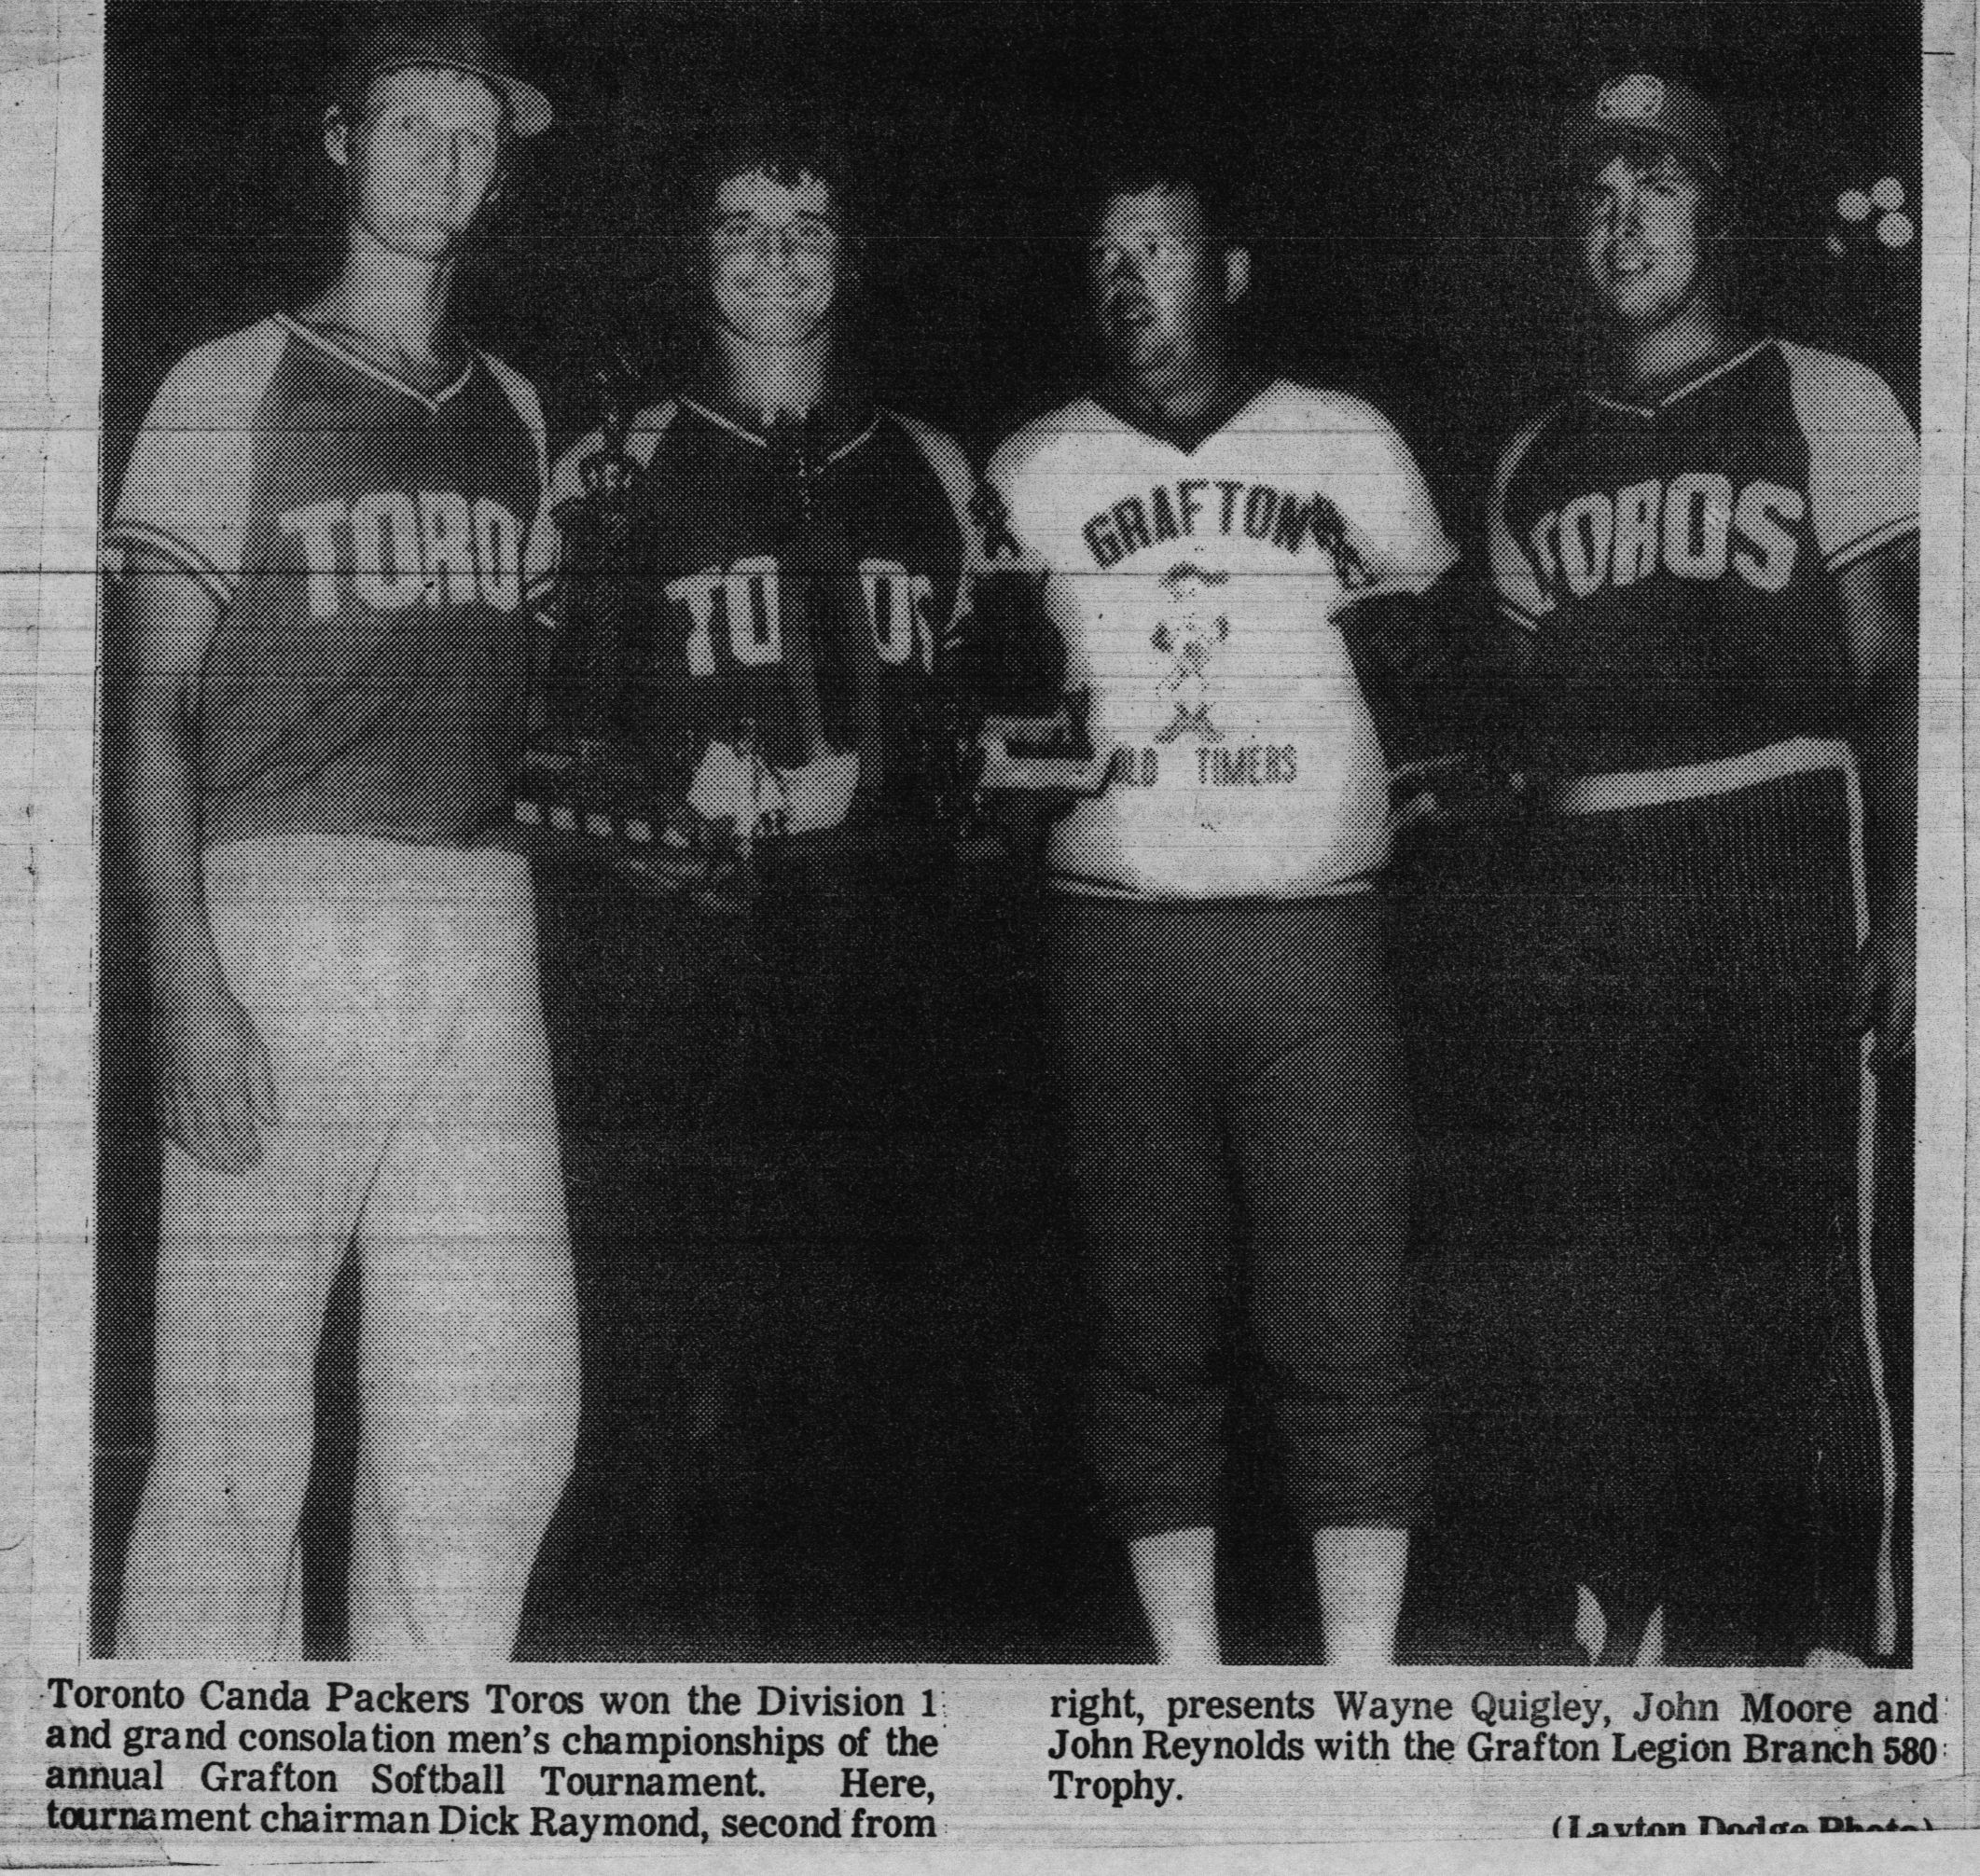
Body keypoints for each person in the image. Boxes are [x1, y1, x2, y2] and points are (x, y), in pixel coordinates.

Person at [106, 13, 575, 1660]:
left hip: (473, 917)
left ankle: (418, 1787)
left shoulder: (516, 409)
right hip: (277, 907)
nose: (442, 158)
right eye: (407, 126)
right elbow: (150, 703)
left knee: (494, 1418)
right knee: (238, 1431)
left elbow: (529, 700)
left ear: (502, 171)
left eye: (474, 133)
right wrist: (181, 980)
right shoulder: (227, 380)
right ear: (335, 143)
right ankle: (202, 1799)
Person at [529, 119, 1008, 1643]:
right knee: (671, 1359)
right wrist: (665, 791)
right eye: (743, 224)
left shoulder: (931, 465)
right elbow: (529, 736)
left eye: (810, 225)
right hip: (681, 976)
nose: (778, 254)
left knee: (885, 1360)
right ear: (696, 254)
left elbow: (1011, 728)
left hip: (889, 974)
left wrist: (901, 777)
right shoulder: (611, 463)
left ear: (851, 256)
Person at [980, 140, 1457, 1665]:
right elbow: (990, 738)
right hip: (1113, 936)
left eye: (1163, 249)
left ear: (1231, 269)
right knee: (1150, 1329)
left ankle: (1363, 1696)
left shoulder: (1348, 440)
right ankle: (1189, 1689)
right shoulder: (1029, 467)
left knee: (1347, 1324)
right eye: (1107, 255)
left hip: (1316, 933)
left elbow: (1441, 718)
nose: (1130, 279)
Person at [1468, 73, 1916, 1664]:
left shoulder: (1829, 393)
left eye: (1655, 186)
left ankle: (1825, 1637)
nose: (1623, 221)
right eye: (1596, 195)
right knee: (1604, 1267)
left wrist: (1919, 903)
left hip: (1777, 841)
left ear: (1714, 208)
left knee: (1793, 1259)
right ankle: (1626, 1614)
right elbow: (1524, 736)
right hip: (1595, 878)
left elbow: (1895, 671)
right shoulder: (1536, 457)